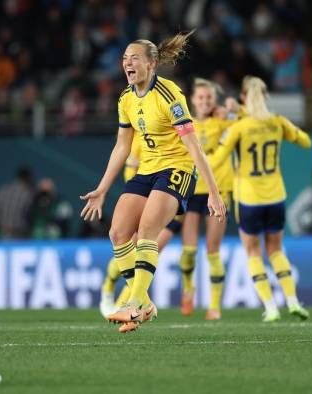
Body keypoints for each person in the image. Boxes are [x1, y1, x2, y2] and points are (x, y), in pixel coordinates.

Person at [80, 31, 227, 333]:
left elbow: (193, 145)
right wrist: (103, 189)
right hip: (147, 169)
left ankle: (133, 305)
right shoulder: (126, 98)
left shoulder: (170, 95)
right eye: (124, 59)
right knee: (119, 232)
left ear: (152, 63)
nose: (127, 63)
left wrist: (213, 192)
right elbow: (122, 145)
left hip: (178, 168)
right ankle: (143, 301)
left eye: (134, 58)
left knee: (147, 230)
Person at [208, 76, 312, 322]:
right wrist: (292, 133)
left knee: (253, 252)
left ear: (244, 98)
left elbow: (217, 160)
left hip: (250, 199)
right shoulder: (277, 122)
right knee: (276, 249)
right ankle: (293, 301)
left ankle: (271, 307)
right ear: (265, 97)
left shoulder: (239, 128)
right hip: (276, 195)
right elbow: (306, 141)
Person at [99, 131, 183, 318]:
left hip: (170, 191)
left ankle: (130, 304)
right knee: (131, 245)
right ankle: (111, 285)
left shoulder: (176, 127)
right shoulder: (138, 138)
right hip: (148, 196)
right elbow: (130, 176)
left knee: (150, 246)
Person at [178, 78, 235, 321]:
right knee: (189, 250)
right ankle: (188, 289)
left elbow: (243, 125)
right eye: (200, 97)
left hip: (219, 191)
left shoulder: (222, 122)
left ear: (215, 101)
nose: (204, 101)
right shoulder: (183, 124)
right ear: (192, 99)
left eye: (209, 98)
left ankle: (214, 306)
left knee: (213, 251)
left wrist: (233, 110)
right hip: (191, 190)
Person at [0, 166, 34, 239]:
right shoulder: (28, 193)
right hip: (19, 235)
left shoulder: (2, 191)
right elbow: (31, 215)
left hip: (1, 235)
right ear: (28, 178)